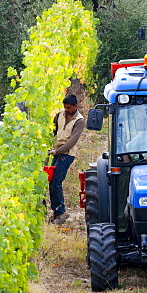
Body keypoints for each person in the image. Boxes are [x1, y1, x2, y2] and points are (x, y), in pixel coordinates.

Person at [48, 94, 85, 224]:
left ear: (75, 106)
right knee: (52, 181)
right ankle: (57, 212)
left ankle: (61, 213)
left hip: (67, 153)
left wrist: (57, 151)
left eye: (69, 108)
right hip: (56, 151)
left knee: (56, 182)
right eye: (65, 107)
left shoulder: (79, 120)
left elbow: (72, 141)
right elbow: (53, 130)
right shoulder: (60, 114)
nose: (67, 110)